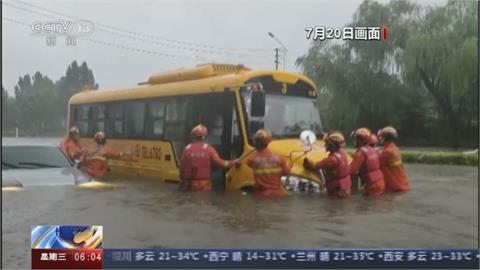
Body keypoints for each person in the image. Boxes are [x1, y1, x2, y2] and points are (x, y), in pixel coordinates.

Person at [180, 124, 235, 192]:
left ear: (193, 136)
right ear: (205, 137)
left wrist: (182, 180)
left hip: (188, 183)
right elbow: (220, 163)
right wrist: (231, 163)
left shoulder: (186, 149)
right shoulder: (209, 149)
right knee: (203, 201)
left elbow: (182, 168)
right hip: (203, 184)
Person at [303, 131, 351, 198]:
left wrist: (307, 162)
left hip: (336, 194)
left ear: (332, 144)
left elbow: (314, 166)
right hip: (345, 191)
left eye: (327, 142)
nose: (325, 144)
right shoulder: (343, 154)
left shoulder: (331, 160)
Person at [247, 129, 291, 197]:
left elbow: (247, 164)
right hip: (277, 194)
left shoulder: (252, 158)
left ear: (255, 142)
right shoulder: (279, 157)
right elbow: (286, 173)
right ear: (268, 142)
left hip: (261, 195)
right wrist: (289, 165)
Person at [349, 128, 385, 197]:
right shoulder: (373, 150)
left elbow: (352, 171)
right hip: (380, 182)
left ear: (359, 140)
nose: (354, 141)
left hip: (372, 185)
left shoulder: (360, 153)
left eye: (355, 139)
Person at [377, 126, 410, 193]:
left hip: (395, 188)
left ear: (385, 138)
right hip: (403, 186)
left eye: (381, 136)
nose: (379, 138)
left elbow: (374, 164)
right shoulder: (395, 148)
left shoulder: (387, 152)